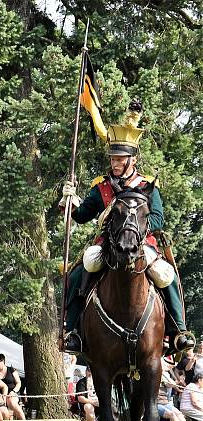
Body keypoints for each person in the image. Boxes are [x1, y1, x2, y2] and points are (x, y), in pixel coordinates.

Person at [60, 100, 193, 354]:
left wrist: (136, 229)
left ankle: (179, 330)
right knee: (82, 269)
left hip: (142, 244)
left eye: (120, 158)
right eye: (112, 158)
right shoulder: (102, 186)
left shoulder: (146, 185)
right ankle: (73, 331)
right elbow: (82, 216)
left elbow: (158, 219)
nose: (114, 163)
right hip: (108, 245)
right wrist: (69, 203)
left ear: (132, 158)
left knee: (166, 275)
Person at [158, 357, 189, 421]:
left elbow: (172, 384)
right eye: (163, 364)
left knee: (178, 413)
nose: (166, 366)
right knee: (171, 414)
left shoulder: (164, 375)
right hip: (155, 404)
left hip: (164, 402)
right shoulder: (152, 376)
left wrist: (163, 374)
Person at [0, 354, 25, 420]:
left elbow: (18, 383)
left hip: (13, 393)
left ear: (3, 361)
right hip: (0, 395)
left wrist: (13, 391)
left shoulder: (11, 370)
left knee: (11, 402)